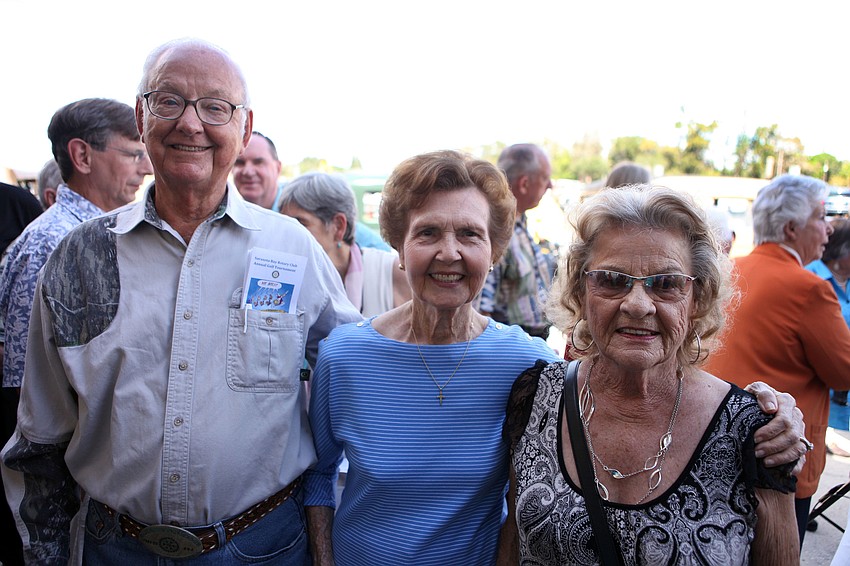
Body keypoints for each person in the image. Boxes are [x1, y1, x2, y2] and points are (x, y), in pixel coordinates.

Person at [302, 152, 801, 566]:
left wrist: (777, 411)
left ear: (495, 249)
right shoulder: (344, 356)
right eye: (428, 233)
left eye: (470, 235)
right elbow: (319, 476)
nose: (449, 253)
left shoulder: (525, 364)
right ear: (398, 245)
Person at [0, 38, 360, 565]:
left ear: (244, 126)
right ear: (142, 116)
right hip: (114, 550)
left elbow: (359, 367)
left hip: (264, 547)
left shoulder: (291, 248)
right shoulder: (80, 258)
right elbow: (38, 443)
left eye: (215, 107)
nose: (191, 124)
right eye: (168, 101)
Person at [504, 185, 804, 564]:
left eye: (666, 284)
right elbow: (513, 545)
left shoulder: (755, 432)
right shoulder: (536, 399)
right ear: (581, 292)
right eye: (612, 280)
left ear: (698, 300)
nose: (637, 304)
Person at [706, 174, 850, 548]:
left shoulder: (728, 270)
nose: (828, 231)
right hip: (776, 463)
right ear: (791, 228)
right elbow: (844, 371)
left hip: (712, 448)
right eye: (821, 219)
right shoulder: (810, 289)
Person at [279, 171, 410, 316]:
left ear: (338, 226)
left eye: (300, 224)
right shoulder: (285, 276)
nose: (287, 234)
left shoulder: (391, 273)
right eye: (284, 224)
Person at [0, 182, 42, 566]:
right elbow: (23, 377)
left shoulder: (14, 204)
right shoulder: (51, 237)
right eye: (131, 154)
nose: (142, 166)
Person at [477, 143, 554, 339]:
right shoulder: (496, 230)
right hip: (510, 347)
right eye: (545, 178)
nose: (550, 185)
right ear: (524, 184)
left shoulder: (518, 222)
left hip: (527, 342)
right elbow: (481, 309)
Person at [232, 130, 284, 210]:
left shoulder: (303, 211)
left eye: (258, 162)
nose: (248, 172)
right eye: (240, 163)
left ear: (278, 168)